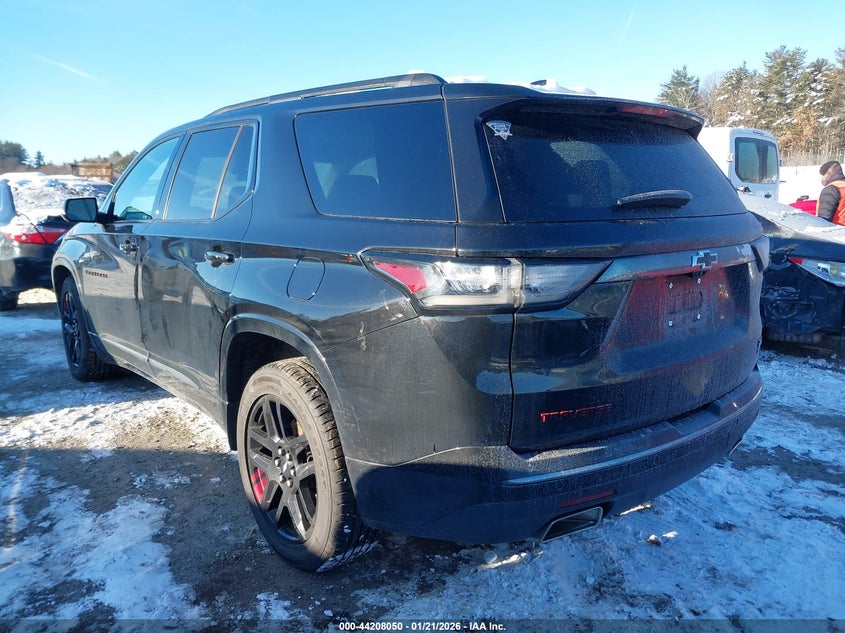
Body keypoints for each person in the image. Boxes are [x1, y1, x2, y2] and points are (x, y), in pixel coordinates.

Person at [816, 160, 845, 225]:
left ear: (826, 175)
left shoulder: (831, 190)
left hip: (837, 232)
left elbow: (824, 218)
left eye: (821, 175)